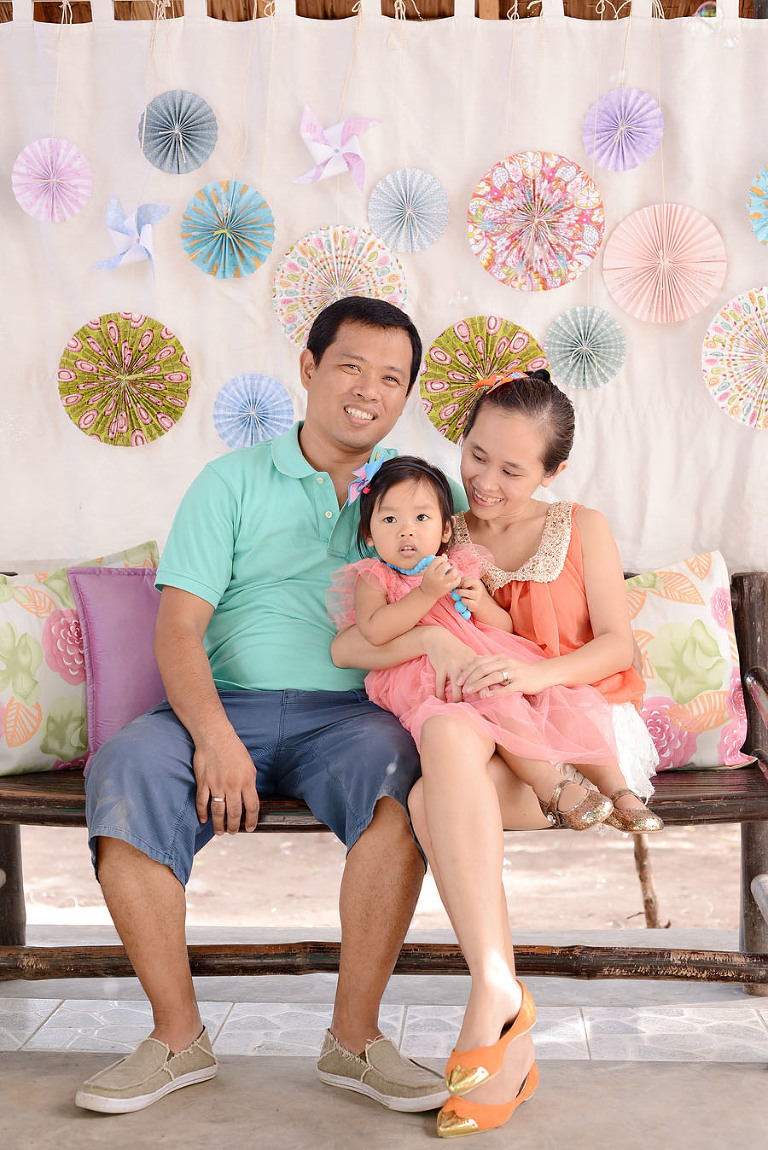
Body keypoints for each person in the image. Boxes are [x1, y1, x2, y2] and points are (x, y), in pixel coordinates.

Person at [76, 296, 460, 1116]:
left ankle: (354, 1040)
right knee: (125, 768)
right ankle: (177, 1037)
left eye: (392, 378)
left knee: (409, 780)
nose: (369, 390)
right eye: (351, 366)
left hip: (355, 719)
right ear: (310, 368)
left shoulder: (414, 494)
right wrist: (213, 735)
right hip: (225, 706)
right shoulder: (230, 481)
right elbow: (179, 628)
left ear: (404, 396)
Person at [331, 369, 660, 1138]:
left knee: (427, 800)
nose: (484, 481)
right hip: (474, 728)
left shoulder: (580, 527)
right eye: (476, 456)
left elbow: (616, 647)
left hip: (570, 734)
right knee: (445, 739)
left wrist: (531, 672)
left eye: (512, 470)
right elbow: (356, 643)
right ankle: (496, 990)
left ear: (552, 471)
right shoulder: (431, 527)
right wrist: (432, 639)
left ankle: (499, 1006)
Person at [327, 454, 631, 831]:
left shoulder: (455, 566)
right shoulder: (375, 578)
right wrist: (424, 594)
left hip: (479, 658)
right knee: (494, 699)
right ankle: (550, 786)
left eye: (421, 518)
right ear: (370, 535)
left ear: (445, 531)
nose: (406, 531)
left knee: (555, 699)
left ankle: (619, 790)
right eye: (390, 520)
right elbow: (374, 630)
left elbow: (504, 626)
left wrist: (482, 603)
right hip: (423, 676)